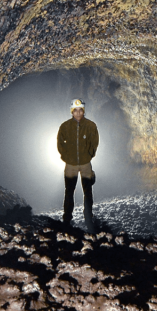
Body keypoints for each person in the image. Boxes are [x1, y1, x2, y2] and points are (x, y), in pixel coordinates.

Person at [57, 98, 99, 229]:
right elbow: (59, 142)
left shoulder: (91, 125)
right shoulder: (65, 126)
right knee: (69, 191)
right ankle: (67, 218)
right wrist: (66, 157)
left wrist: (89, 155)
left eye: (80, 110)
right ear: (72, 111)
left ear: (83, 111)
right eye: (75, 110)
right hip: (70, 165)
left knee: (88, 191)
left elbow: (94, 142)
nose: (78, 113)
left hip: (86, 164)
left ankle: (88, 216)